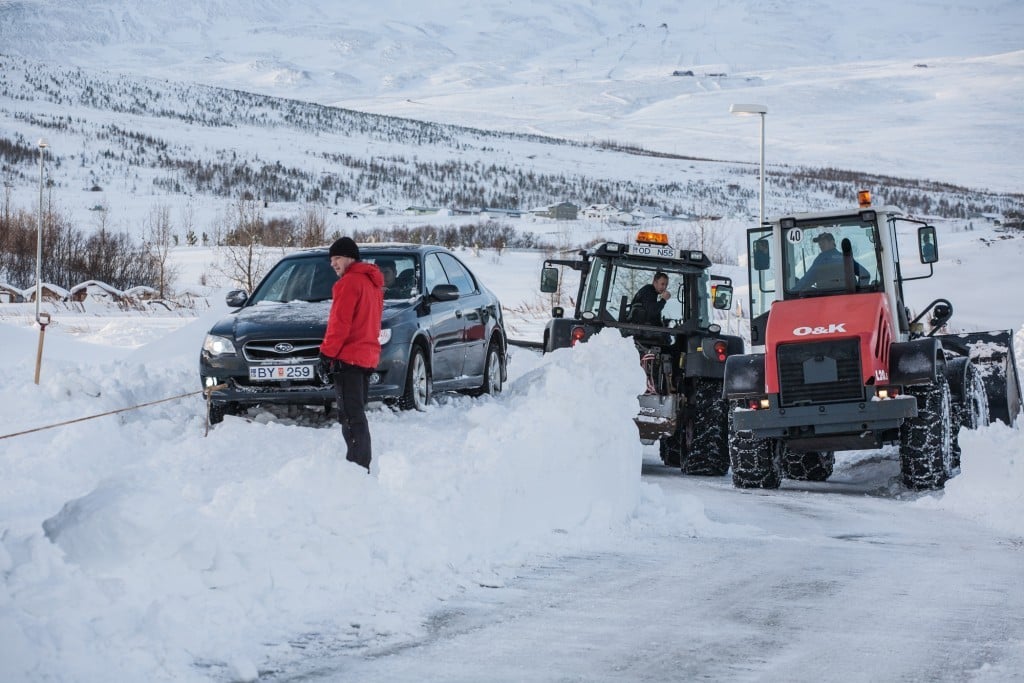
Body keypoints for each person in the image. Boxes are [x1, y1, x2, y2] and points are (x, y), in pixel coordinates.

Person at [319, 237, 385, 472]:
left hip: (348, 358)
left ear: (350, 257)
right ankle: (360, 465)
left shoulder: (349, 283)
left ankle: (357, 469)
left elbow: (340, 323)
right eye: (331, 260)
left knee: (350, 417)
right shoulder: (371, 283)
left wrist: (326, 354)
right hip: (366, 357)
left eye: (337, 258)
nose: (333, 264)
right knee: (356, 413)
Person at [795, 232, 870, 290]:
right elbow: (865, 275)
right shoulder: (845, 257)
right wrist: (858, 291)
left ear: (832, 242)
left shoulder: (821, 259)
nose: (820, 244)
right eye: (820, 243)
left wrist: (793, 291)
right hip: (850, 299)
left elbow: (806, 280)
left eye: (824, 242)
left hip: (825, 301)